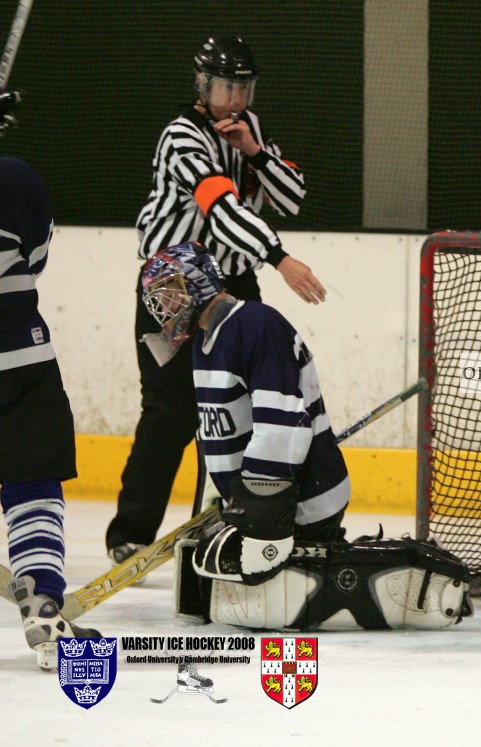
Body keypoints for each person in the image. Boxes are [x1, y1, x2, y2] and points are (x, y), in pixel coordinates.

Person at [139, 242, 469, 630]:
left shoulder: (254, 324)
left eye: (170, 291)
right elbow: (220, 430)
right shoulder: (206, 342)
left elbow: (282, 420)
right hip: (258, 500)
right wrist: (227, 500)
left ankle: (400, 579)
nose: (166, 306)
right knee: (238, 598)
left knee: (282, 606)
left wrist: (264, 510)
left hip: (300, 496)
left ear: (198, 282)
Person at [105, 36, 327, 570]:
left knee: (237, 409)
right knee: (172, 409)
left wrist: (255, 152)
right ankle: (130, 531)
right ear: (204, 87)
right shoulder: (182, 137)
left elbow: (293, 196)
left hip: (232, 286)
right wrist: (280, 258)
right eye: (228, 86)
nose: (236, 98)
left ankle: (227, 519)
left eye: (244, 87)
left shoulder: (248, 133)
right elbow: (220, 208)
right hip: (173, 289)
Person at [0, 89, 101, 669]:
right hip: (19, 356)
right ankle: (42, 603)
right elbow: (35, 254)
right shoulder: (16, 180)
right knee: (32, 485)